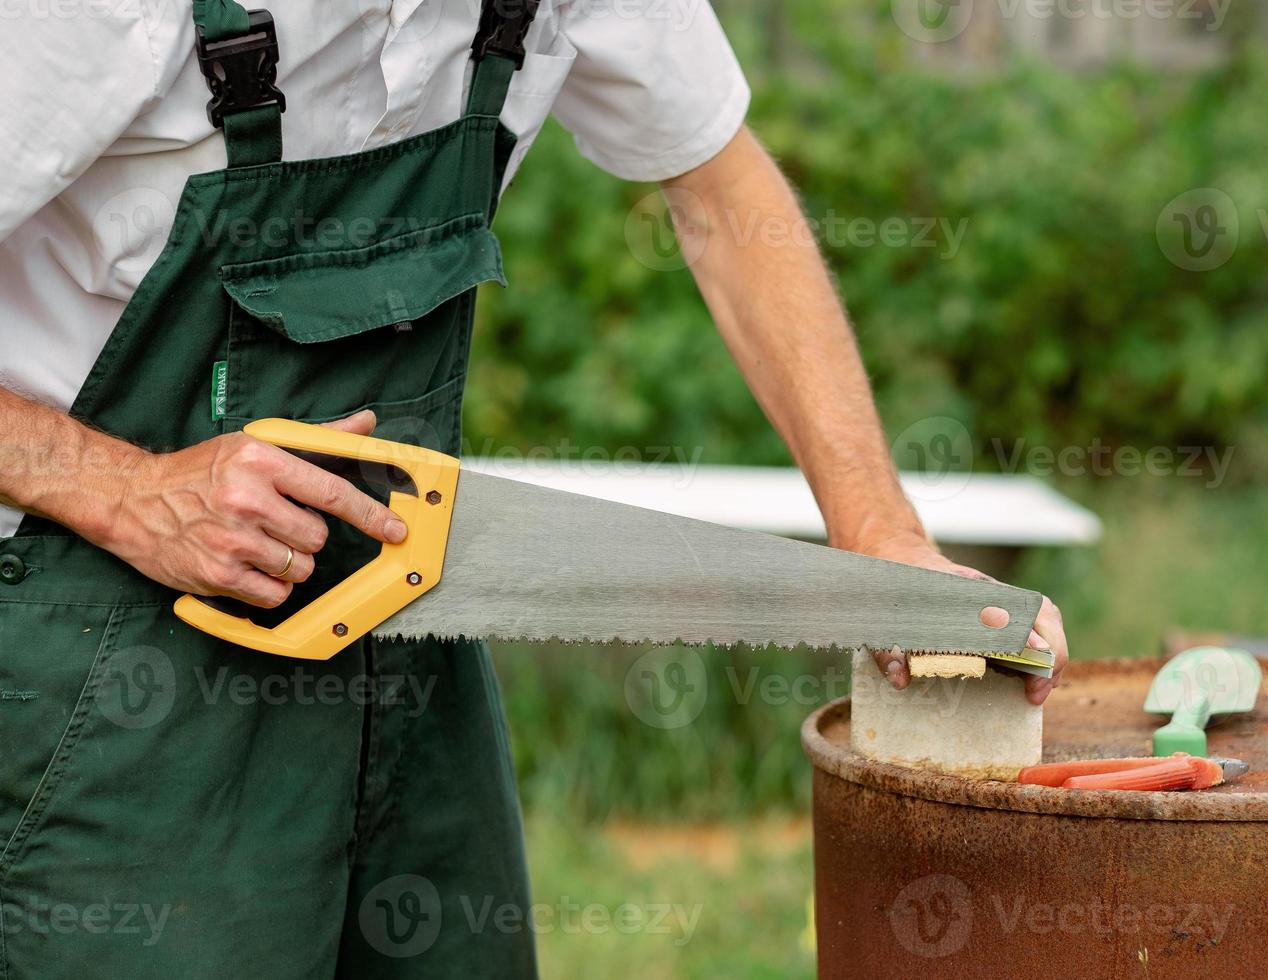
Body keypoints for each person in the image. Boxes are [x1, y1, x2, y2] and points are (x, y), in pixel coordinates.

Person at [0, 0, 1067, 975]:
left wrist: (878, 533)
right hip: (107, 675)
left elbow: (722, 189)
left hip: (403, 628)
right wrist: (124, 487)